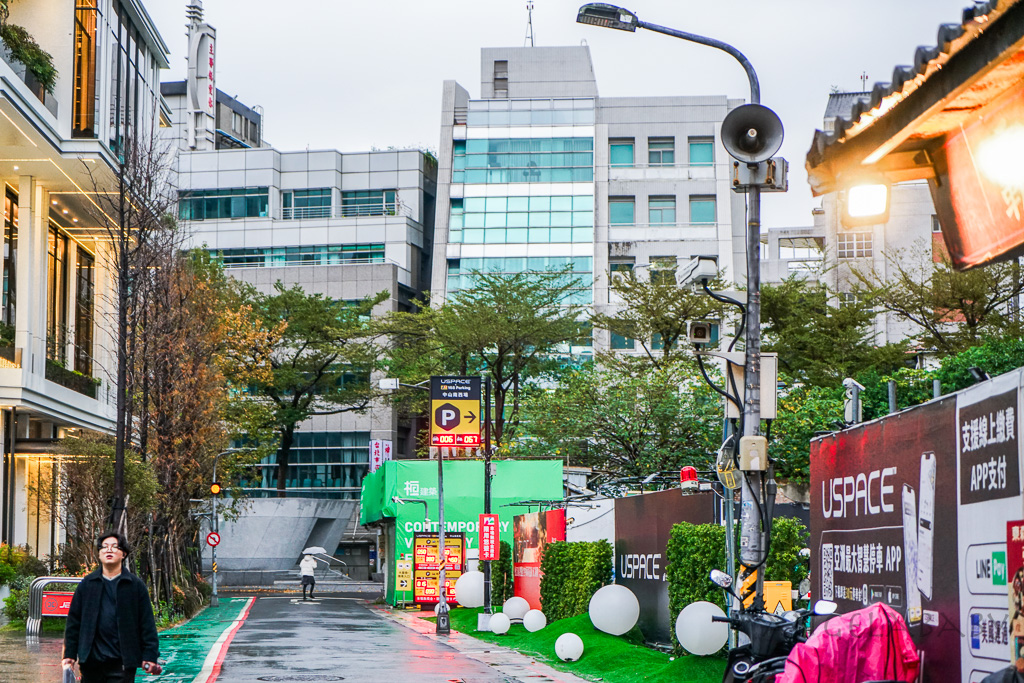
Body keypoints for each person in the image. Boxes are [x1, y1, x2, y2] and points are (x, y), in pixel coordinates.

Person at [62, 531, 160, 682]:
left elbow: (147, 623)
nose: (109, 550)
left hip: (122, 663)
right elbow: (74, 623)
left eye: (115, 547)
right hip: (91, 663)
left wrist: (150, 656)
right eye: (104, 547)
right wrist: (69, 655)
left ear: (124, 554)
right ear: (99, 554)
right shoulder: (87, 585)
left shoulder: (135, 586)